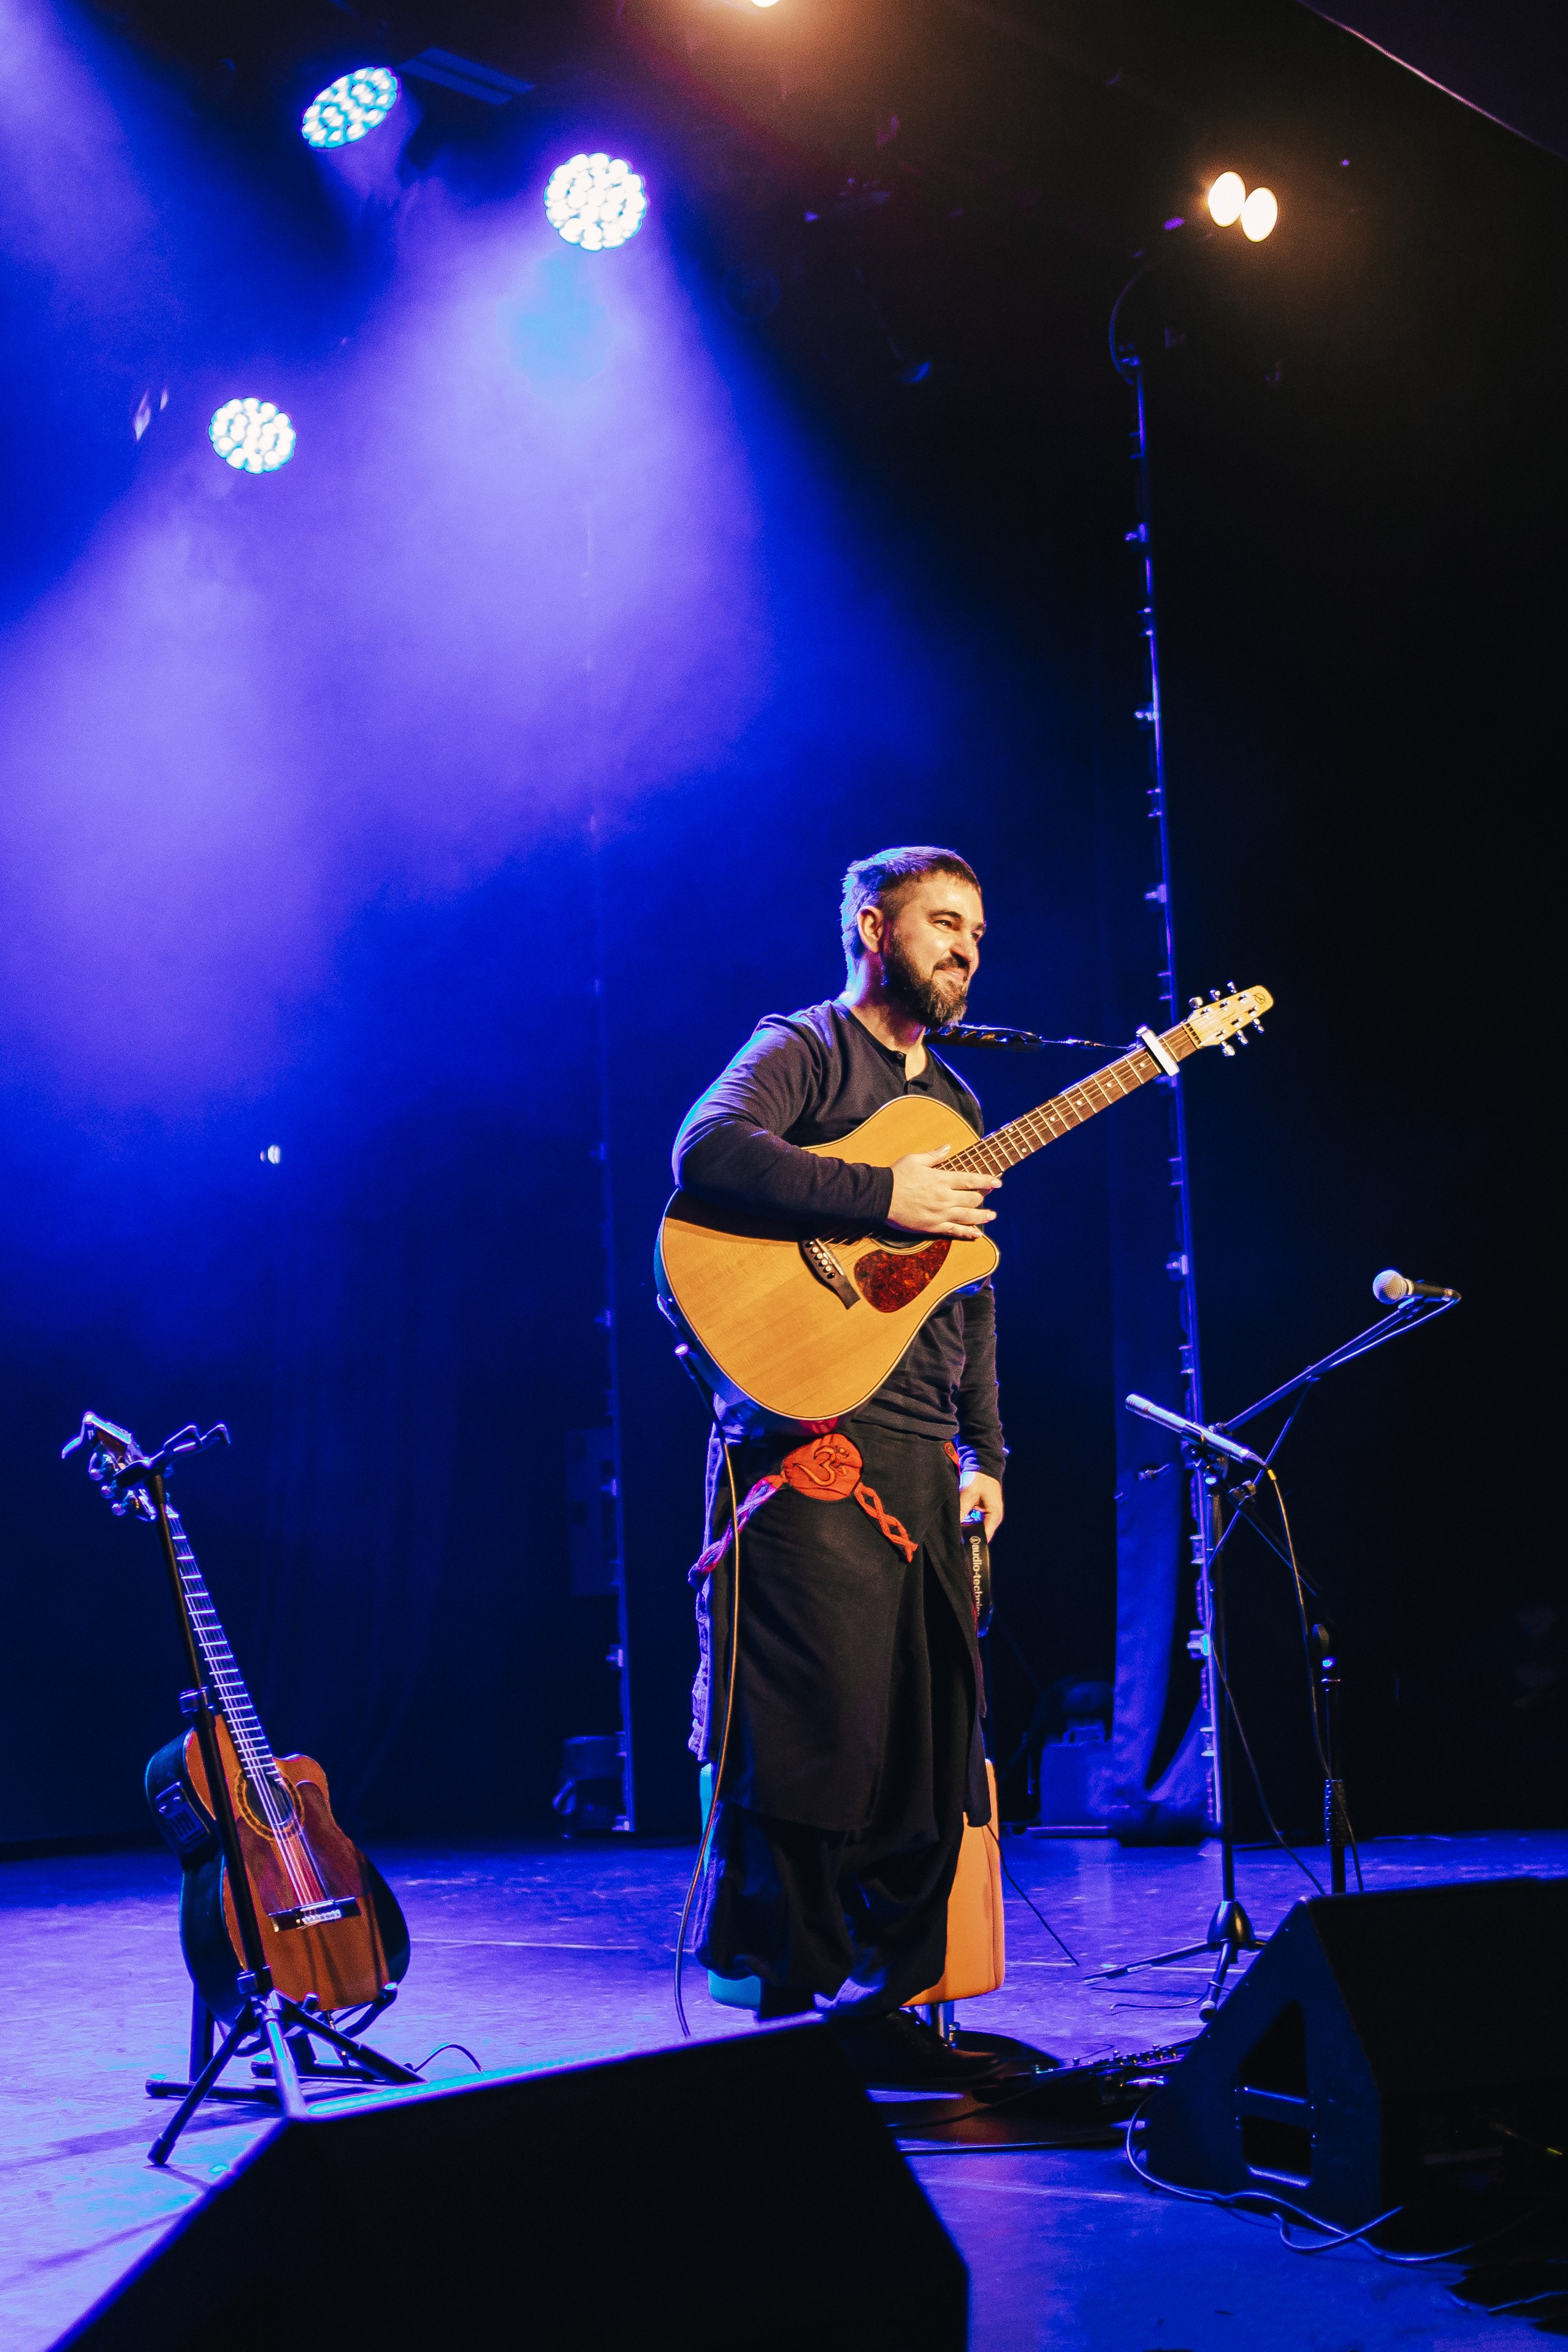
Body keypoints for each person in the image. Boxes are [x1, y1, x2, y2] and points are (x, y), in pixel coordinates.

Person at [672, 846, 1010, 2090]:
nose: (964, 946)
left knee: (932, 1738)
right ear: (874, 926)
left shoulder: (965, 1109)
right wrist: (882, 1192)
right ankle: (790, 2002)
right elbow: (708, 1153)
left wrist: (990, 1452)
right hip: (811, 1440)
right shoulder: (805, 1047)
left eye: (975, 928)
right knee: (816, 1734)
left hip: (925, 1447)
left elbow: (970, 1295)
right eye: (940, 922)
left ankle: (890, 2003)